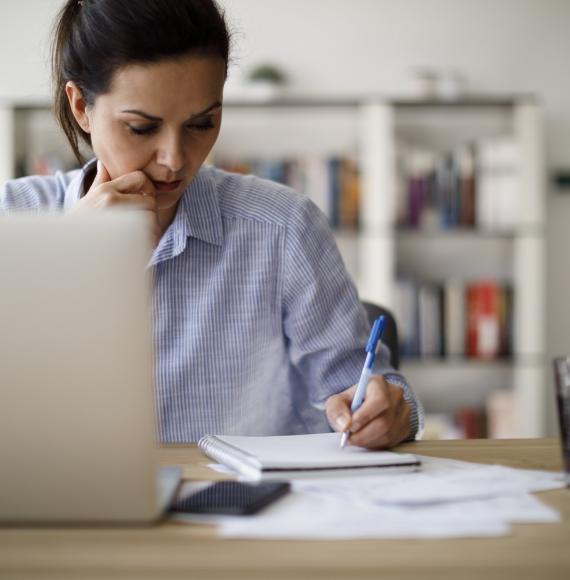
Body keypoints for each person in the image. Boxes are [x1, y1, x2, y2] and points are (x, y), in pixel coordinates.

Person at [0, 0, 423, 447]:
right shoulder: (13, 219)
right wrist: (65, 261)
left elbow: (369, 388)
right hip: (61, 511)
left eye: (202, 124)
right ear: (81, 106)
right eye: (142, 128)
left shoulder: (283, 228)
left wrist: (388, 410)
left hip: (252, 507)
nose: (175, 159)